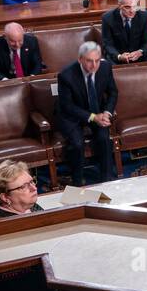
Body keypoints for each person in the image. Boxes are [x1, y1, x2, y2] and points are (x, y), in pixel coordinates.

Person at [56, 41, 117, 185]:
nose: (94, 65)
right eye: (89, 61)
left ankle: (107, 179)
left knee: (104, 138)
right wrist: (92, 117)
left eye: (97, 60)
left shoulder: (106, 67)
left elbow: (113, 92)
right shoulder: (66, 75)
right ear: (80, 59)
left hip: (98, 111)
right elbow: (67, 106)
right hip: (73, 115)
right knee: (77, 144)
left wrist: (107, 113)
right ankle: (78, 180)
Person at [102, 0, 147, 64]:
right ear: (119, 6)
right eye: (127, 7)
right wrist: (119, 56)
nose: (132, 11)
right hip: (117, 57)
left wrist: (140, 52)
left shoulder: (144, 16)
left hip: (139, 56)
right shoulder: (107, 18)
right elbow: (108, 44)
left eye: (134, 6)